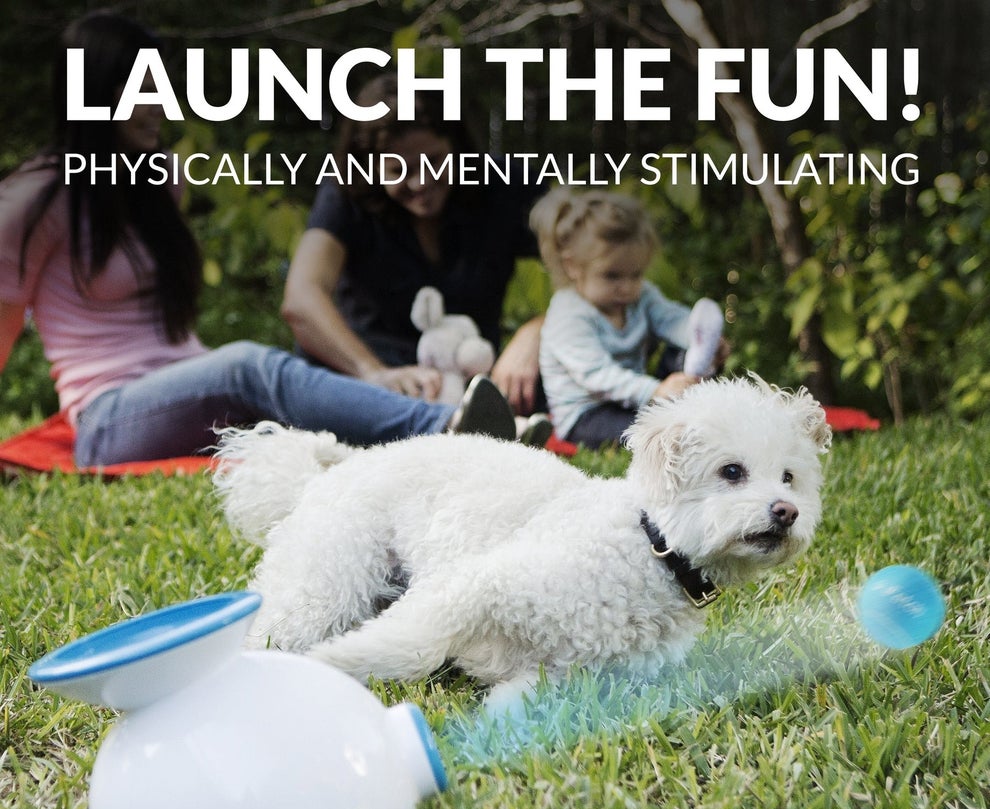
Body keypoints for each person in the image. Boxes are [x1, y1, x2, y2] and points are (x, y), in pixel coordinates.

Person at [0, 12, 516, 469]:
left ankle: (435, 448)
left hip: (184, 389)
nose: (160, 105)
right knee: (249, 365)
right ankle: (450, 428)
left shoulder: (161, 179)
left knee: (291, 402)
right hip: (108, 418)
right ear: (90, 94)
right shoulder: (37, 197)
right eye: (141, 91)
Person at [281, 73, 547, 419]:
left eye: (435, 162)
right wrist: (372, 372)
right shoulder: (346, 195)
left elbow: (597, 265)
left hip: (471, 380)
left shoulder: (503, 187)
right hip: (367, 387)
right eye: (398, 170)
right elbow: (302, 298)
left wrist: (536, 332)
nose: (421, 183)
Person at [530, 187, 727, 448]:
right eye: (612, 276)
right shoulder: (568, 314)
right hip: (588, 414)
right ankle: (680, 416)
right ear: (572, 266)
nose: (627, 286)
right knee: (647, 436)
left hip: (635, 396)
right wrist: (654, 391)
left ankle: (700, 363)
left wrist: (696, 338)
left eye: (636, 275)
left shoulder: (640, 295)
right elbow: (597, 376)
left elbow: (670, 318)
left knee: (680, 353)